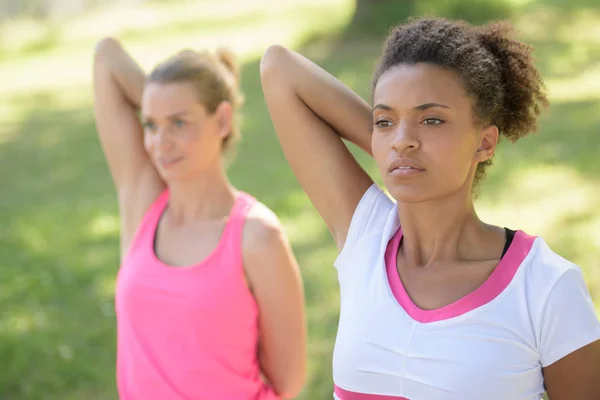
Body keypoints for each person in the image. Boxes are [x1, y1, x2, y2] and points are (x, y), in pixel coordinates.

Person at [260, 17, 600, 400]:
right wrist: (398, 150)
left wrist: (405, 149)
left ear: (486, 142)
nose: (403, 140)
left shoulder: (545, 288)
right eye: (384, 121)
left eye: (432, 119)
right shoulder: (367, 238)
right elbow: (278, 67)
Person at [92, 37, 306, 400]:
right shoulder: (143, 206)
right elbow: (106, 57)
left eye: (179, 123)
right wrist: (173, 104)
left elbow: (288, 381)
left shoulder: (257, 238)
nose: (160, 143)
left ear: (222, 119)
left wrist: (183, 98)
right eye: (151, 124)